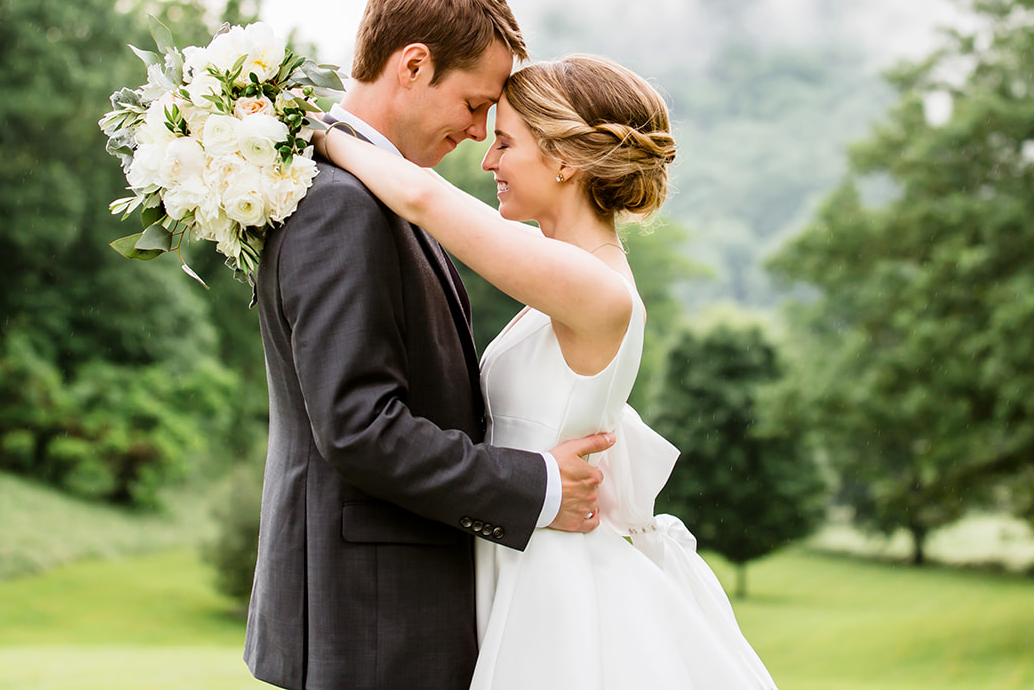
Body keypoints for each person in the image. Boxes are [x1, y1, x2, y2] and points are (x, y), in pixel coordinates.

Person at [314, 52, 779, 689]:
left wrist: (308, 129)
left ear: (564, 158)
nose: (487, 160)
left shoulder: (596, 289)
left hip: (554, 582)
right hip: (523, 550)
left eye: (504, 141)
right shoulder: (564, 281)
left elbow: (420, 195)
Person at [246, 0, 615, 690]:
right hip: (372, 615)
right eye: (475, 103)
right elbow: (359, 426)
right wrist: (536, 485)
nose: (479, 132)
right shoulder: (341, 204)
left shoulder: (370, 191)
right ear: (414, 64)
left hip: (391, 611)